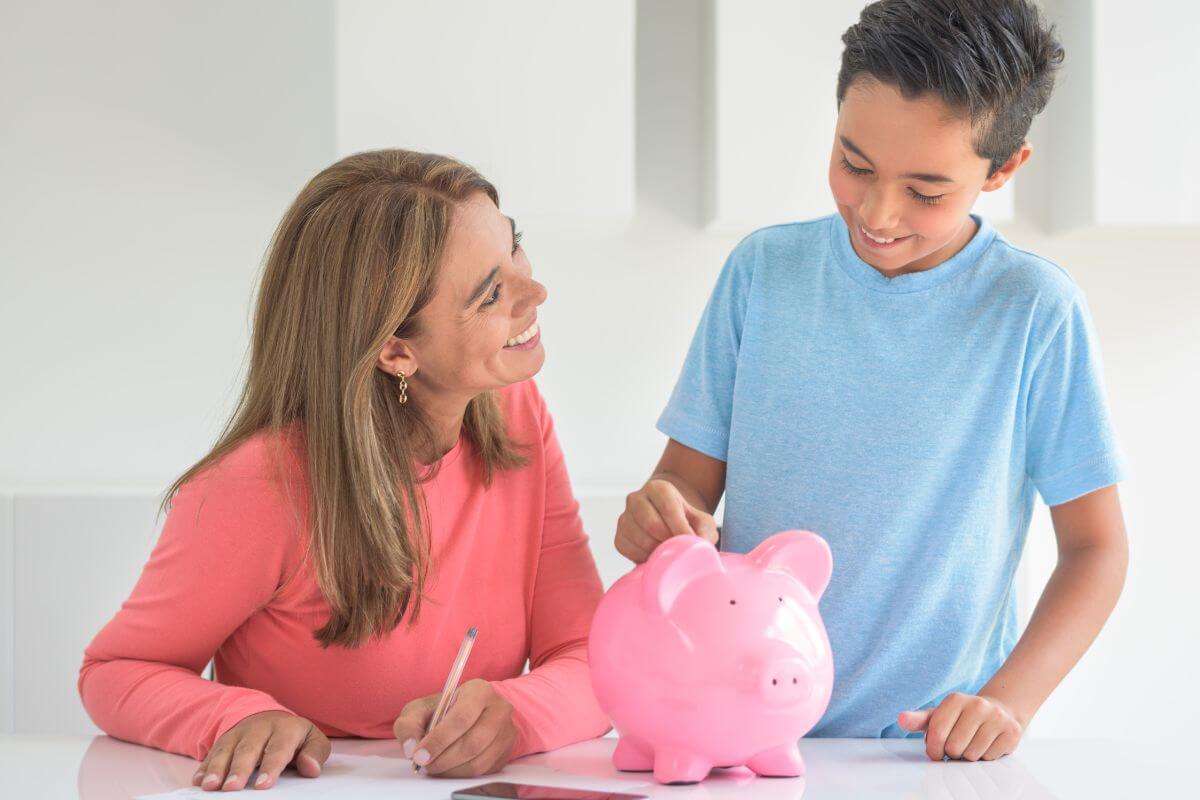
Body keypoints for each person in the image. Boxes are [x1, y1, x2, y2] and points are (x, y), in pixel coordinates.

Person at [616, 0, 1128, 762]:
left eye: (926, 191)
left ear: (1004, 168)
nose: (878, 213)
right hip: (740, 737)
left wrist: (1006, 703)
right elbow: (683, 489)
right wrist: (658, 520)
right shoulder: (763, 275)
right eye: (854, 164)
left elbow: (1096, 549)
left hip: (923, 753)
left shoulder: (1033, 313)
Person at [79, 150, 611, 791]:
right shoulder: (256, 487)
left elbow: (591, 658)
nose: (536, 291)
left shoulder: (515, 412)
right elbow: (116, 669)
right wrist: (236, 714)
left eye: (514, 247)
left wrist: (520, 715)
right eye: (490, 293)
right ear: (395, 349)